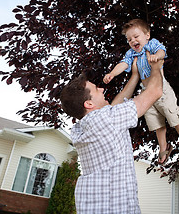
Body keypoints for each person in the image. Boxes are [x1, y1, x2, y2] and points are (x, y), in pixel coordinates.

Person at [60, 56, 163, 213]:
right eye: (96, 89)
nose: (101, 89)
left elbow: (115, 108)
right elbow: (155, 91)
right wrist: (156, 67)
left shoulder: (84, 127)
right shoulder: (107, 120)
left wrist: (135, 76)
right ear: (89, 104)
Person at [103, 19, 179, 164]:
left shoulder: (152, 45)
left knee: (173, 116)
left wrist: (157, 56)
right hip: (145, 91)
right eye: (129, 39)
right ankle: (164, 146)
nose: (133, 41)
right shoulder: (132, 53)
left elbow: (163, 51)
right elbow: (123, 63)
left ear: (147, 35)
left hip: (161, 88)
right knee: (155, 122)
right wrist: (112, 73)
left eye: (136, 37)